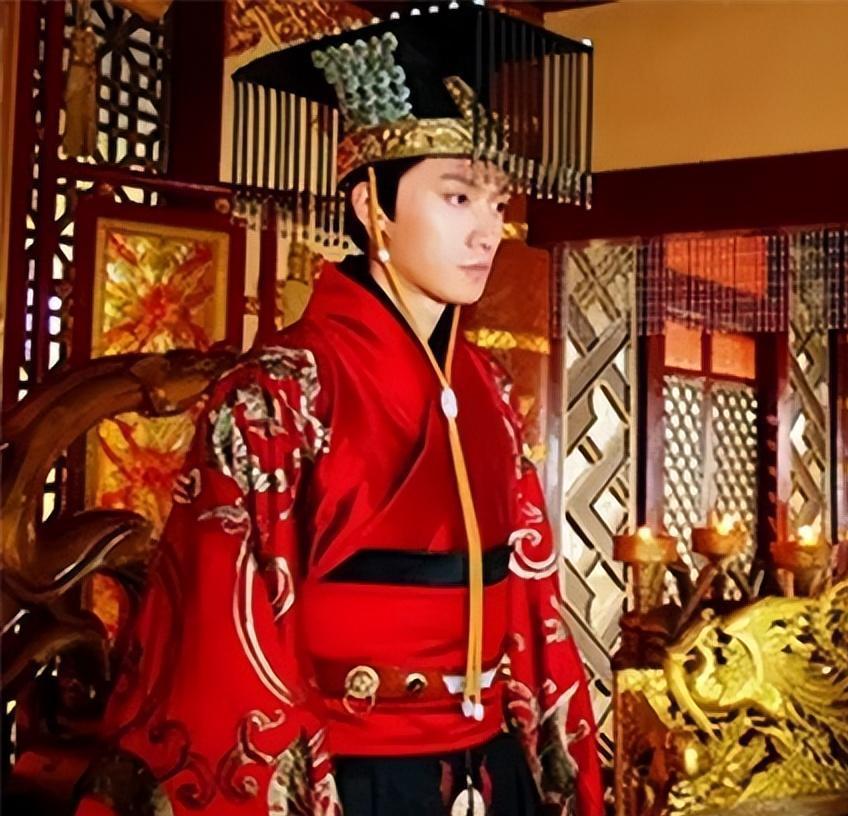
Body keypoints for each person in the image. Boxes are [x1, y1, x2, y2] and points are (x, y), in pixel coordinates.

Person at [76, 8, 602, 816]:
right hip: (354, 776)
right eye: (458, 196)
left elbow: (532, 603)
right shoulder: (276, 394)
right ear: (370, 205)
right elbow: (227, 639)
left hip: (494, 767)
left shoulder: (488, 388)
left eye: (497, 203)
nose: (488, 232)